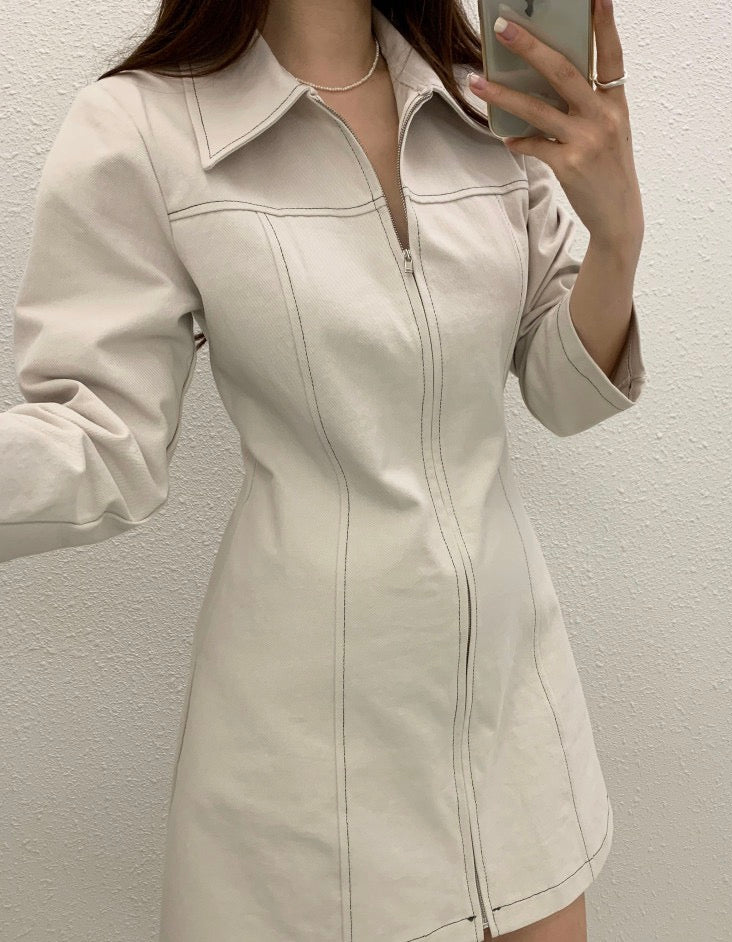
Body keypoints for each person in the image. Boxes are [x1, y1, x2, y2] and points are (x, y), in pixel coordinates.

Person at [2, 1, 646, 939]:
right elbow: (101, 445)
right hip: (307, 770)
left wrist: (618, 237)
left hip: (517, 721)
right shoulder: (143, 127)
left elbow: (564, 389)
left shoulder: (482, 101)